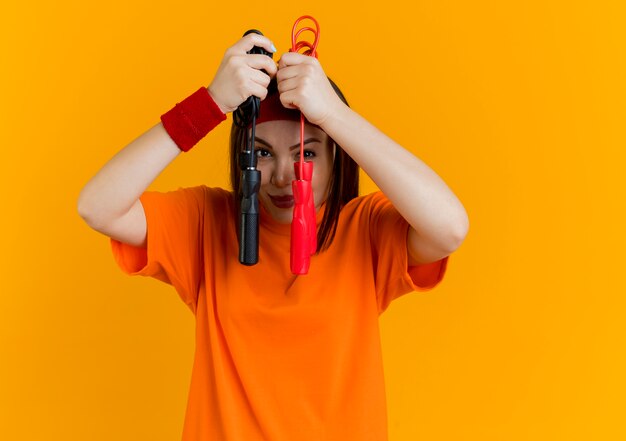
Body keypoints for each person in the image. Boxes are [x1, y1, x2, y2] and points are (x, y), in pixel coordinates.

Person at [78, 32, 469, 441]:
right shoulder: (207, 223)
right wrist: (208, 104)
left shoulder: (365, 229)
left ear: (337, 157)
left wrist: (334, 115)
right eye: (263, 153)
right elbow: (97, 206)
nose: (284, 176)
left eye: (308, 153)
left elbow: (449, 227)